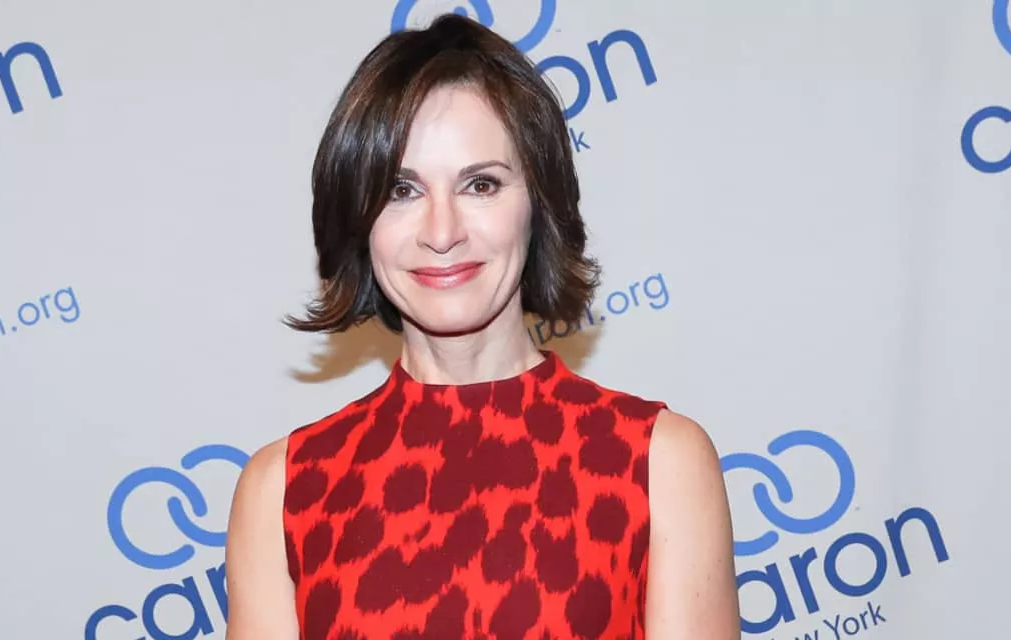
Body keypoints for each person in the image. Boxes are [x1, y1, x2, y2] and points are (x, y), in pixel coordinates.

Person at [224, 13, 739, 639]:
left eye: (481, 184)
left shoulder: (660, 462)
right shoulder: (284, 489)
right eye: (401, 190)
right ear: (358, 220)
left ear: (538, 203)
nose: (442, 233)